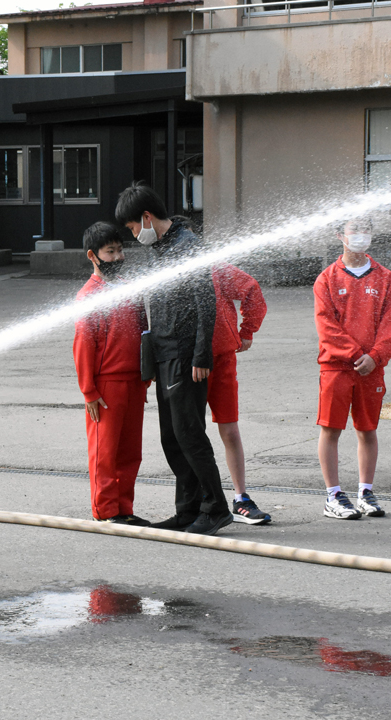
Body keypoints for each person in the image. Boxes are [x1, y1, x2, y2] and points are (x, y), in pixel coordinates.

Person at [115, 183, 229, 536]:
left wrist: (201, 354)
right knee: (171, 437)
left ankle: (216, 508)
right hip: (164, 354)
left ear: (147, 217)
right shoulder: (160, 250)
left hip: (185, 357)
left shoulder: (187, 247)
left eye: (134, 228)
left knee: (189, 433)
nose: (134, 236)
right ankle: (187, 508)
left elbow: (205, 302)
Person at [313, 218, 391, 520]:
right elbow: (326, 327)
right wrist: (354, 355)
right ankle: (334, 495)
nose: (361, 236)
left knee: (367, 429)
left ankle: (366, 491)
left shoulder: (386, 278)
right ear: (340, 236)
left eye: (367, 230)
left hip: (371, 369)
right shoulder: (327, 279)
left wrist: (376, 357)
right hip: (336, 368)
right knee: (331, 429)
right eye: (355, 230)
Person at [73, 221, 149, 526]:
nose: (118, 257)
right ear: (93, 255)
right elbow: (83, 345)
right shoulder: (88, 296)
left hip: (135, 381)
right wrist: (89, 391)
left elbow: (144, 329)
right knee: (105, 453)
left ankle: (124, 508)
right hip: (106, 386)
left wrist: (147, 370)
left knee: (131, 452)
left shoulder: (129, 290)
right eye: (110, 251)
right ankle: (105, 511)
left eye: (120, 250)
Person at [210, 262, 272, 524]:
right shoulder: (169, 270)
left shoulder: (214, 269)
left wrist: (247, 329)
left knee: (230, 430)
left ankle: (240, 498)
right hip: (186, 362)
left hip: (222, 358)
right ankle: (201, 498)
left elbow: (250, 288)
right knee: (188, 434)